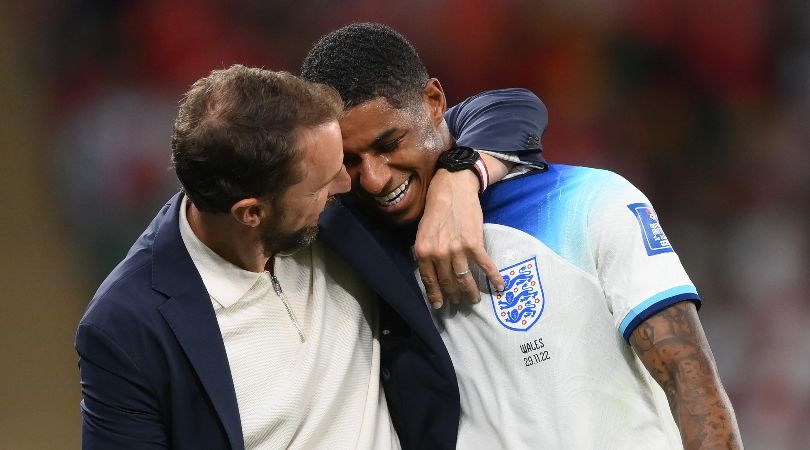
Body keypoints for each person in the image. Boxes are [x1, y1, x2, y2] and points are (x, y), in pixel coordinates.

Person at [300, 22, 743, 449]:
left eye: (389, 143)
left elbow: (690, 380)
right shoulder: (355, 249)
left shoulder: (590, 202)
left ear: (434, 101)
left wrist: (459, 174)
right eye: (351, 161)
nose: (374, 179)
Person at [75, 64, 533, 449]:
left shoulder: (329, 184)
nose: (353, 184)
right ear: (252, 213)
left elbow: (508, 107)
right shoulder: (126, 329)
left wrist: (460, 177)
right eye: (325, 182)